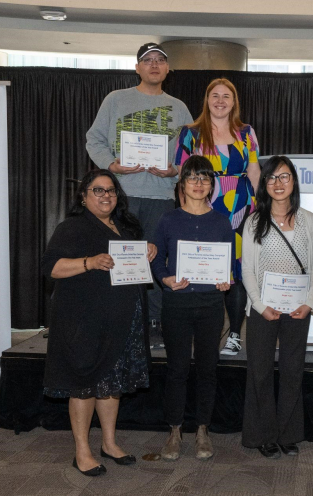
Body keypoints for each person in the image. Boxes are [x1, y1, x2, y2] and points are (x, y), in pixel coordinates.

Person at [41, 169, 156, 476]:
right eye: (98, 190)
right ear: (84, 196)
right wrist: (89, 263)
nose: (106, 196)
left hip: (123, 319)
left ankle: (109, 442)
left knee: (111, 383)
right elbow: (50, 268)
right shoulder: (73, 228)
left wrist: (149, 251)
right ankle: (82, 451)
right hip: (85, 321)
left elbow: (134, 262)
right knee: (85, 384)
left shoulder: (127, 226)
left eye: (111, 191)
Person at [86, 42, 193, 348]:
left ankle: (155, 323)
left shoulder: (179, 108)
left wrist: (175, 171)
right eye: (148, 60)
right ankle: (116, 321)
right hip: (122, 196)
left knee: (156, 260)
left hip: (162, 199)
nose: (154, 65)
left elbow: (191, 152)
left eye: (160, 60)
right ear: (137, 68)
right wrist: (111, 164)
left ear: (168, 69)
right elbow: (94, 139)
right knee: (119, 260)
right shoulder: (115, 100)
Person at [150, 155, 234, 461]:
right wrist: (165, 278)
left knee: (208, 369)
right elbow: (157, 259)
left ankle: (202, 430)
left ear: (212, 185)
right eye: (192, 178)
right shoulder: (168, 220)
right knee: (177, 369)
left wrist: (227, 280)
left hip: (211, 303)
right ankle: (175, 431)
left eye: (204, 178)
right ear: (181, 184)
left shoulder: (221, 221)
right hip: (177, 303)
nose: (199, 184)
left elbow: (229, 263)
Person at [174, 78, 260, 357]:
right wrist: (184, 210)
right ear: (207, 100)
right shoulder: (190, 133)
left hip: (240, 207)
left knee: (235, 271)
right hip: (202, 206)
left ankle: (235, 334)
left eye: (227, 96)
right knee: (202, 267)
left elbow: (255, 170)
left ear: (234, 102)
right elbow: (182, 174)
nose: (221, 101)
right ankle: (203, 333)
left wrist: (256, 207)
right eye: (215, 95)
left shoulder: (246, 132)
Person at [241, 156, 313, 459]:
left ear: (294, 182)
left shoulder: (308, 219)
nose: (278, 183)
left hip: (297, 308)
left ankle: (287, 433)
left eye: (284, 177)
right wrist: (259, 305)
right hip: (263, 309)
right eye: (271, 178)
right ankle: (262, 434)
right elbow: (248, 269)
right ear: (264, 184)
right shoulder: (253, 221)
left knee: (292, 371)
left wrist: (310, 302)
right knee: (259, 372)